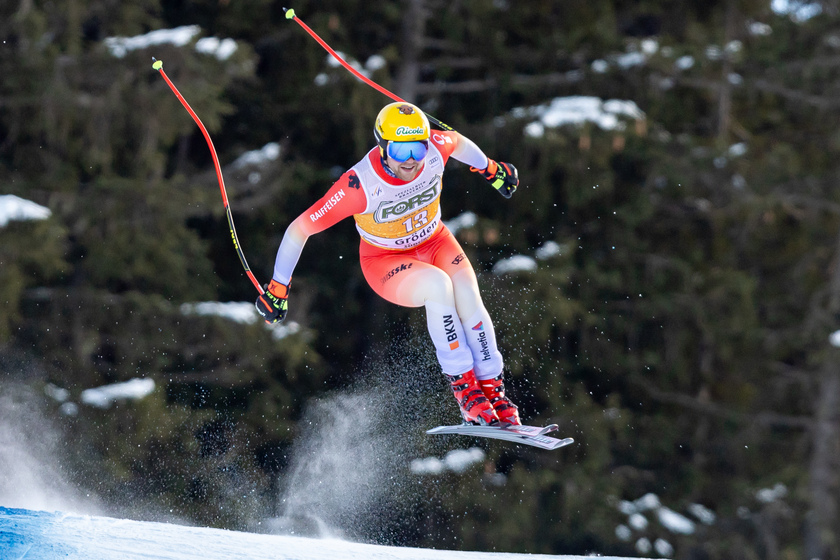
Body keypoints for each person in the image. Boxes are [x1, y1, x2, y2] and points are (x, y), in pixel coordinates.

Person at [256, 102, 521, 426]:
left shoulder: (436, 148)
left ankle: (494, 392)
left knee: (467, 294)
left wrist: (491, 169)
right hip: (386, 261)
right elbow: (300, 228)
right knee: (439, 288)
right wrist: (278, 287)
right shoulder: (359, 185)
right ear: (383, 147)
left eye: (417, 148)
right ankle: (467, 393)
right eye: (400, 150)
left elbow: (458, 142)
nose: (410, 160)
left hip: (434, 240)